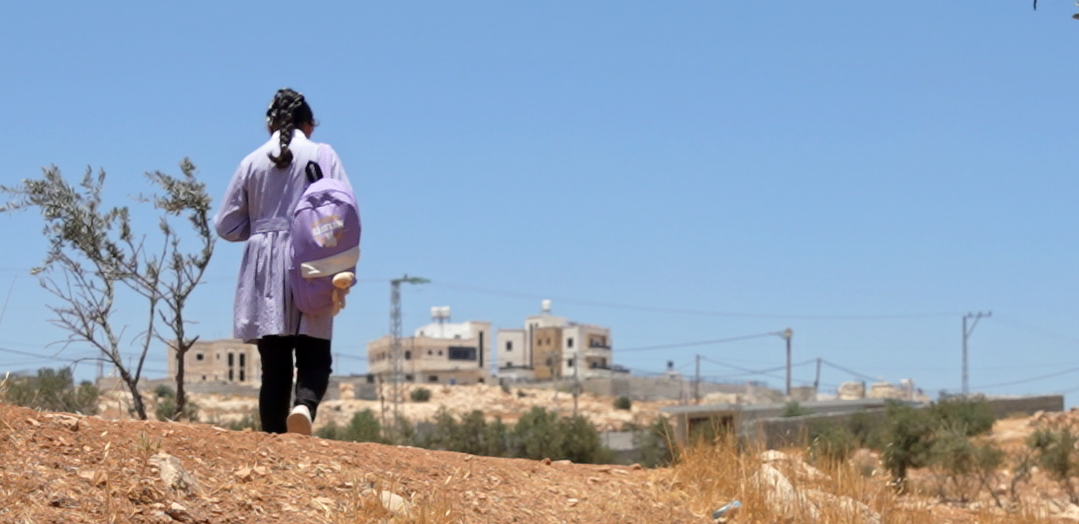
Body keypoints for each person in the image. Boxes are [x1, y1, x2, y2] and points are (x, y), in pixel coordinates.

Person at [214, 88, 353, 435]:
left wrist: (261, 229)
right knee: (315, 351)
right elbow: (345, 208)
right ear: (309, 125)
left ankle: (273, 442)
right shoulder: (323, 155)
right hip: (312, 258)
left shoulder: (251, 162)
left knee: (274, 366)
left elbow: (225, 225)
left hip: (264, 263)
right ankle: (304, 406)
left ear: (270, 125)